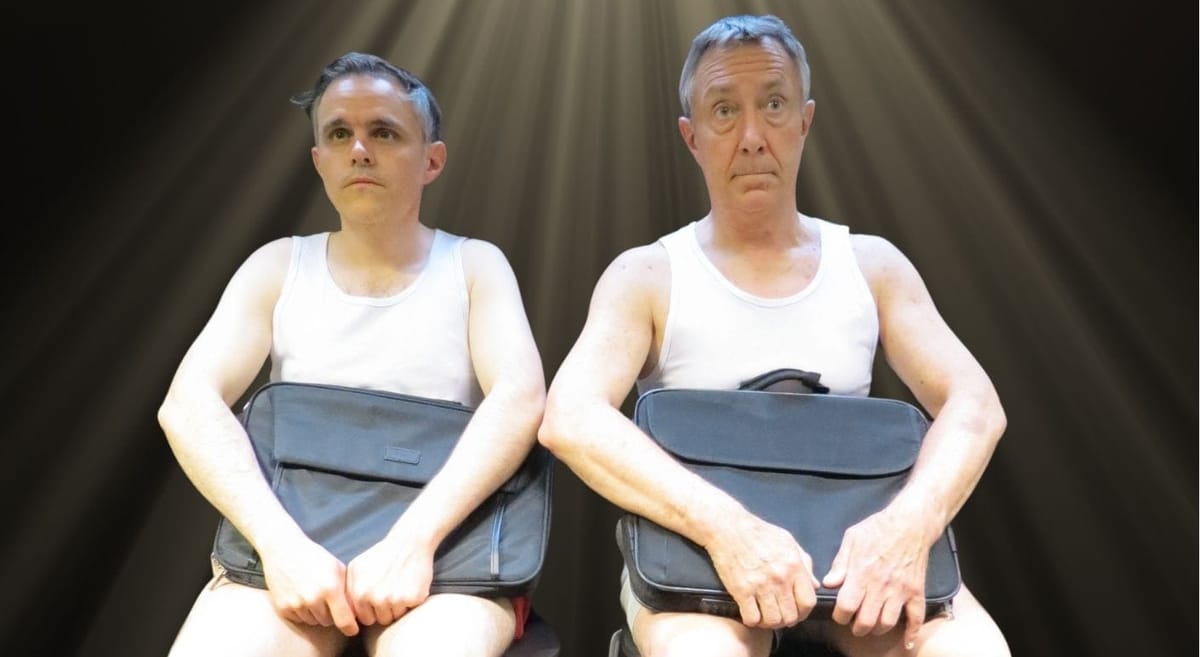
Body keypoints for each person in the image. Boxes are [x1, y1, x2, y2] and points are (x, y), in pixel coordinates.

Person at [538, 15, 1009, 657]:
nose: (753, 136)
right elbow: (570, 417)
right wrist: (728, 529)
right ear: (692, 136)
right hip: (698, 562)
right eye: (724, 110)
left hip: (854, 557)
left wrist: (907, 526)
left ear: (804, 121)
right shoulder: (647, 275)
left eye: (775, 104)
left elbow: (976, 405)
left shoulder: (871, 266)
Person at [158, 52, 545, 657]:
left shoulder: (474, 267)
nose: (359, 150)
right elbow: (188, 405)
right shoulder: (278, 266)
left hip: (445, 564)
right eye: (339, 134)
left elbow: (520, 400)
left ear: (432, 160)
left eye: (384, 132)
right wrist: (281, 548)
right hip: (293, 554)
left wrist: (412, 544)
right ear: (319, 161)